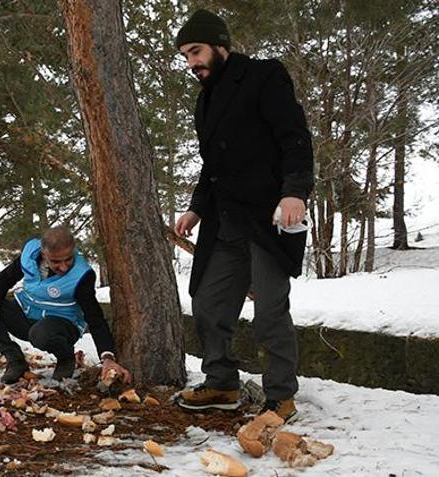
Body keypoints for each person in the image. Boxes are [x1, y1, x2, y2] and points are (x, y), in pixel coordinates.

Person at [172, 9, 315, 422]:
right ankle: (221, 382)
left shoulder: (264, 76)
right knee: (208, 303)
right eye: (184, 55)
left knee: (270, 309)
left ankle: (281, 397)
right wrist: (197, 208)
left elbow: (295, 137)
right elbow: (211, 165)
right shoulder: (205, 100)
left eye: (195, 51)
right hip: (224, 222)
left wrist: (294, 192)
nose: (191, 63)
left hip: (268, 216)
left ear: (220, 44)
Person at [0, 226, 131, 386]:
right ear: (43, 253)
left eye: (68, 259)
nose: (64, 267)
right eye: (56, 261)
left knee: (40, 333)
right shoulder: (29, 256)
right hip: (27, 316)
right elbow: (5, 279)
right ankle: (15, 361)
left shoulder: (82, 275)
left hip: (60, 326)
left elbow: (95, 317)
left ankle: (66, 358)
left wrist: (107, 358)